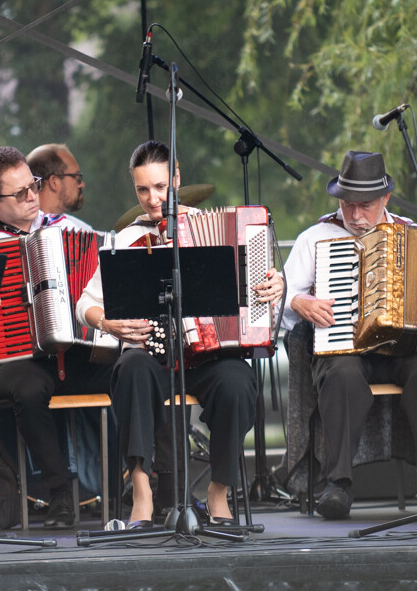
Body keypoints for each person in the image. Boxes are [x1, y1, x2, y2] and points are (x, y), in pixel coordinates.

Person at [75, 140, 284, 526]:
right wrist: (106, 323)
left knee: (238, 382)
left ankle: (218, 491)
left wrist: (276, 284)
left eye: (160, 187)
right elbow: (84, 304)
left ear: (176, 179)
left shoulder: (217, 228)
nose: (152, 199)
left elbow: (258, 283)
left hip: (208, 356)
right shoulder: (127, 239)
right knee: (130, 369)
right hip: (152, 356)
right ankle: (142, 489)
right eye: (142, 189)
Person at [282, 150, 417, 519]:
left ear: (386, 198)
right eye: (348, 205)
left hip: (402, 350)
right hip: (343, 349)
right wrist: (300, 301)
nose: (356, 216)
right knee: (342, 374)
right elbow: (283, 298)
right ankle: (337, 485)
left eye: (365, 205)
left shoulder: (413, 235)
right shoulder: (315, 238)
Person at [0, 146, 108, 529]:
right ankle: (59, 496)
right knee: (28, 387)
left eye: (33, 185)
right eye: (20, 193)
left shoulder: (69, 228)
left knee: (134, 370)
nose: (33, 196)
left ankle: (144, 486)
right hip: (13, 359)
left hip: (75, 355)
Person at [26, 143, 91, 229]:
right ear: (54, 182)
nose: (82, 184)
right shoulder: (79, 231)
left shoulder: (81, 229)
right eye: (77, 177)